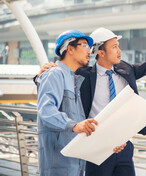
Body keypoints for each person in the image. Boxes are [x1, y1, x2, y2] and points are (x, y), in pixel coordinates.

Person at [37, 27, 146, 176]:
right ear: (101, 52)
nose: (119, 51)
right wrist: (41, 74)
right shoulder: (83, 75)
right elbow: (57, 77)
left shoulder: (126, 71)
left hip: (123, 146)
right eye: (114, 46)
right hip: (97, 148)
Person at [36, 29, 99, 176]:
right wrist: (74, 125)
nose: (89, 51)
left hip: (74, 164)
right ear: (69, 48)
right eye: (84, 45)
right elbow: (46, 111)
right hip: (58, 164)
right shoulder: (54, 74)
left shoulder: (73, 80)